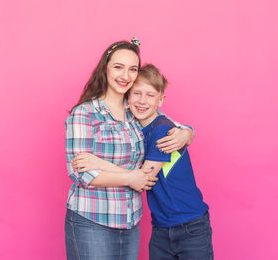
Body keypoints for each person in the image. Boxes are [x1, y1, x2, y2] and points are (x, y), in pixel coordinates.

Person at [65, 39, 194, 260]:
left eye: (132, 69)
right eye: (118, 67)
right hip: (92, 219)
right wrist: (130, 178)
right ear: (105, 68)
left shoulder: (134, 109)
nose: (125, 75)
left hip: (130, 220)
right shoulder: (85, 114)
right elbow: (81, 172)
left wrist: (188, 133)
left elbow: (167, 125)